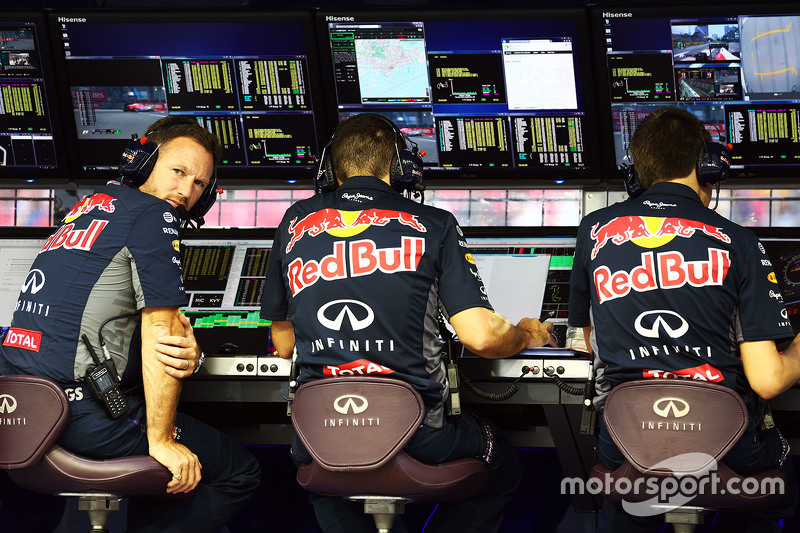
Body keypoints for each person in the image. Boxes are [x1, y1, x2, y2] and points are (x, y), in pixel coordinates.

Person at [260, 113, 555, 533]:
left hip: (317, 433)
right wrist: (527, 334)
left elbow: (284, 342)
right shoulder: (433, 223)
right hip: (420, 434)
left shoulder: (294, 222)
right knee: (502, 465)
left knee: (330, 478)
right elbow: (481, 337)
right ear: (402, 166)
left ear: (328, 168)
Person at [0, 116, 260, 533]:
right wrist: (162, 442)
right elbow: (162, 335)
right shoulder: (153, 216)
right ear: (141, 163)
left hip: (21, 414)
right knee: (237, 472)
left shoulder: (86, 212)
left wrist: (190, 353)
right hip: (80, 418)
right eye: (178, 171)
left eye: (199, 184)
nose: (186, 191)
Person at [568, 107, 800, 532]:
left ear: (634, 172)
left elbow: (590, 338)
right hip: (727, 444)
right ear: (706, 166)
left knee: (630, 489)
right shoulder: (739, 241)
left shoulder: (593, 230)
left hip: (624, 439)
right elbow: (767, 380)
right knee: (779, 484)